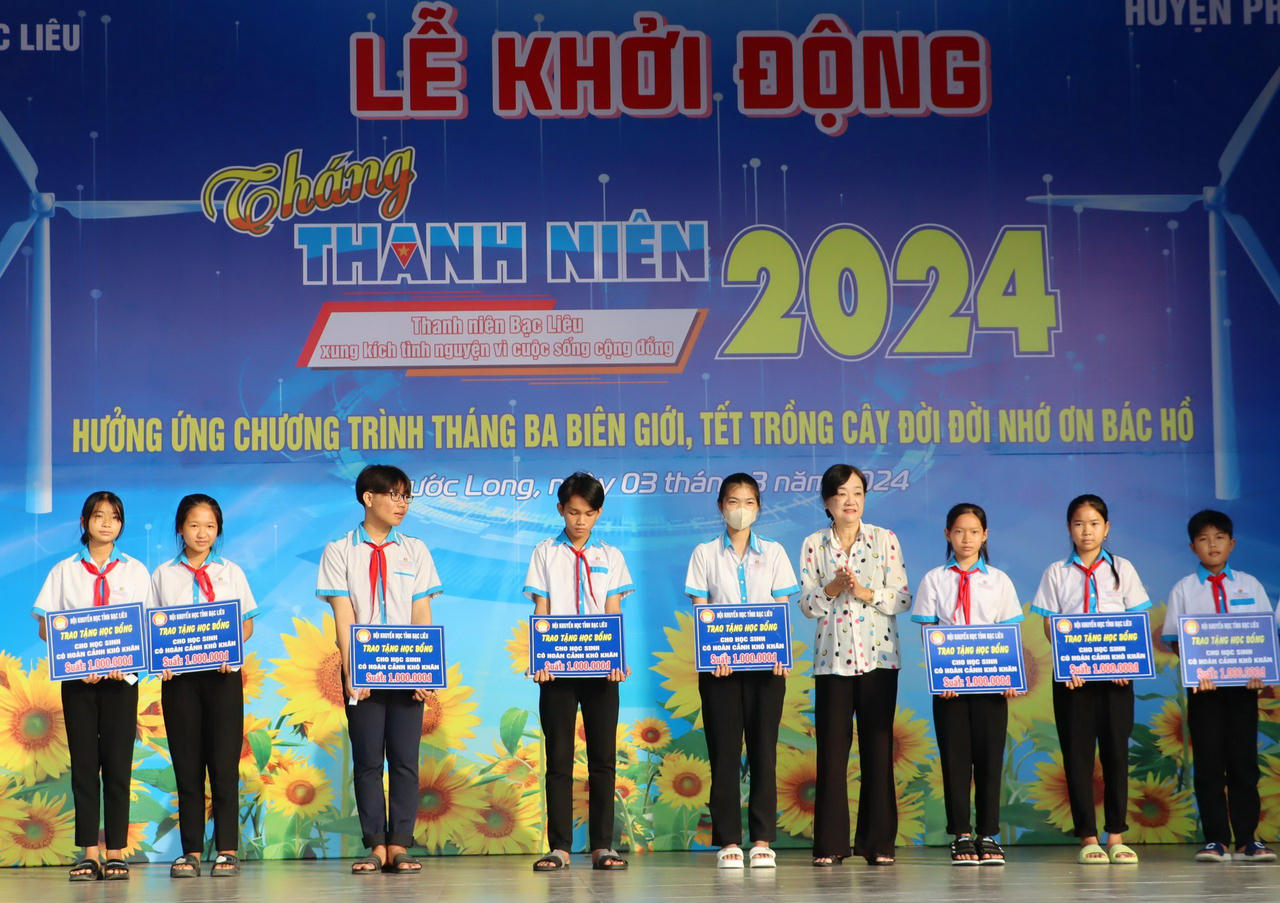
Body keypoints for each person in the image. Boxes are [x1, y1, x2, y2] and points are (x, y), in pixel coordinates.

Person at [317, 465, 442, 875]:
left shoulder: (415, 550)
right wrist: (351, 671)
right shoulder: (340, 550)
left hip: (407, 666)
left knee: (405, 759)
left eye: (406, 496)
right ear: (368, 498)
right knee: (368, 761)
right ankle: (376, 845)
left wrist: (424, 671)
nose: (402, 504)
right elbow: (343, 614)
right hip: (363, 669)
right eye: (394, 495)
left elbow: (421, 612)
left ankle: (401, 844)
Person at [32, 491, 152, 881]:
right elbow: (45, 626)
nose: (106, 523)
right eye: (98, 516)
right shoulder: (63, 571)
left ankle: (115, 852)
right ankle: (88, 853)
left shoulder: (136, 571)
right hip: (78, 683)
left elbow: (146, 625)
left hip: (122, 682)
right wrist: (77, 660)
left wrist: (124, 662)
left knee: (117, 766)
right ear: (84, 522)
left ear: (121, 524)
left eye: (114, 517)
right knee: (84, 766)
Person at [797, 464, 911, 866]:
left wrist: (864, 591)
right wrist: (831, 588)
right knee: (831, 754)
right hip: (832, 662)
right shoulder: (814, 544)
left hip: (880, 660)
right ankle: (830, 845)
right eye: (842, 493)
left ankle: (878, 844)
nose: (851, 501)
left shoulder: (884, 539)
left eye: (858, 492)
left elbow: (902, 599)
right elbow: (807, 605)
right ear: (827, 501)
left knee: (878, 752)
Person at [684, 473, 799, 869]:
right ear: (721, 506)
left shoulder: (775, 552)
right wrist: (711, 651)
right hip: (720, 671)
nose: (741, 509)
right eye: (734, 501)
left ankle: (763, 840)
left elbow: (781, 608)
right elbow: (701, 610)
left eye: (749, 502)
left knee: (764, 752)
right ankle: (729, 841)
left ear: (758, 509)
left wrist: (781, 651)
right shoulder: (704, 553)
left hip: (768, 669)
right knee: (724, 753)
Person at [1031, 494, 1150, 865]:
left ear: (1106, 528)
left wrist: (1125, 665)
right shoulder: (1056, 572)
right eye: (1079, 523)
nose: (1087, 531)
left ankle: (1116, 835)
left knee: (1116, 754)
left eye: (1094, 523)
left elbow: (1136, 621)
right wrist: (1068, 662)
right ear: (1069, 528)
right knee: (1077, 757)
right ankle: (1088, 837)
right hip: (1073, 681)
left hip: (1117, 681)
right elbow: (1049, 624)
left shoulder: (1123, 569)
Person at [527, 472, 634, 872]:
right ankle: (559, 847)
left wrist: (617, 657)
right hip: (557, 669)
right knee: (559, 758)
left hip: (602, 669)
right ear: (561, 510)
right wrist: (540, 659)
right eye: (573, 512)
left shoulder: (611, 555)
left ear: (598, 514)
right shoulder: (545, 552)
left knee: (603, 758)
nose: (580, 521)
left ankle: (603, 846)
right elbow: (541, 608)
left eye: (588, 514)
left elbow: (613, 609)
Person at [151, 494, 259, 877]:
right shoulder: (163, 574)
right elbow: (152, 625)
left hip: (223, 678)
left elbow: (246, 622)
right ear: (180, 528)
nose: (202, 533)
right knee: (188, 768)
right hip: (179, 683)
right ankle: (191, 852)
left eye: (210, 526)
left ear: (219, 530)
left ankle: (227, 850)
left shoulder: (232, 572)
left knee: (225, 766)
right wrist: (161, 659)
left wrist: (233, 648)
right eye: (194, 525)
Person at [1162, 509, 1278, 863]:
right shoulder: (1184, 589)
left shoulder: (1250, 585)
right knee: (1209, 763)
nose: (1212, 545)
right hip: (1204, 691)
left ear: (1232, 543)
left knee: (1244, 763)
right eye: (1203, 539)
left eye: (1219, 538)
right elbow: (1175, 640)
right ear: (1192, 547)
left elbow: (1264, 635)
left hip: (1244, 688)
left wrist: (1259, 671)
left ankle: (1247, 839)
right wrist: (1196, 670)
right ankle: (1215, 839)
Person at [910, 503, 1023, 866]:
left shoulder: (1000, 581)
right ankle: (960, 834)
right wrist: (939, 674)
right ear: (947, 534)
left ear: (985, 535)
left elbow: (1009, 632)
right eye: (959, 531)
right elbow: (929, 633)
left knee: (990, 760)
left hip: (992, 687)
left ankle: (988, 835)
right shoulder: (934, 579)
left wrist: (1010, 676)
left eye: (974, 531)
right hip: (951, 689)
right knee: (955, 761)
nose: (966, 539)